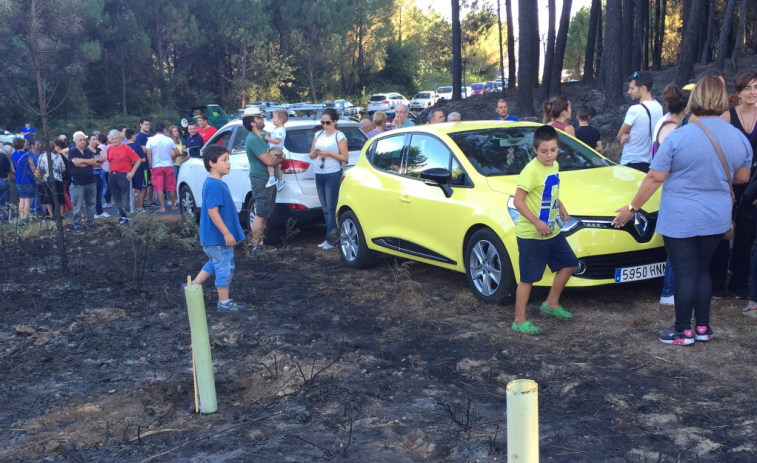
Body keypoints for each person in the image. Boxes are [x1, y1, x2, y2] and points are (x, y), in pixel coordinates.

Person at [612, 76, 753, 345]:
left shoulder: (679, 137)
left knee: (685, 271)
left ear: (696, 99)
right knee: (703, 269)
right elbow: (743, 177)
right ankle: (702, 328)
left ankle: (681, 330)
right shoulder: (738, 137)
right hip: (717, 216)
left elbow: (654, 178)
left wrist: (632, 208)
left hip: (681, 216)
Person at [511, 125, 577, 335]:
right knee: (528, 279)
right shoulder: (530, 171)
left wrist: (561, 206)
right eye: (544, 151)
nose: (550, 155)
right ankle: (519, 321)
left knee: (569, 264)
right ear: (535, 150)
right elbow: (518, 202)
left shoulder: (555, 165)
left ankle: (551, 303)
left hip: (552, 230)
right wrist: (535, 222)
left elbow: (550, 191)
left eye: (554, 150)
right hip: (532, 234)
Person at [648, 84, 691, 305]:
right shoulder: (674, 129)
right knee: (677, 246)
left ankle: (670, 290)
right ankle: (669, 292)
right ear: (686, 110)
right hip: (671, 190)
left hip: (667, 189)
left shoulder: (663, 123)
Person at [191, 144, 246, 311]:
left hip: (212, 239)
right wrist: (227, 233)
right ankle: (224, 303)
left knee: (215, 262)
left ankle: (193, 285)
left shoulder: (214, 183)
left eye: (228, 159)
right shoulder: (215, 185)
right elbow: (213, 213)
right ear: (212, 163)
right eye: (224, 160)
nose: (228, 163)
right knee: (224, 266)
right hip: (217, 238)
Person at [243, 106, 285, 251]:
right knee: (260, 214)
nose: (262, 119)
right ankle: (256, 246)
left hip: (268, 178)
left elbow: (275, 155)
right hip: (261, 179)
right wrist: (280, 160)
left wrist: (277, 157)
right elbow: (269, 161)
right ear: (252, 123)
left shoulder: (263, 135)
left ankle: (261, 244)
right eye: (258, 117)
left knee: (265, 214)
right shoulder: (253, 139)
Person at [309, 107, 349, 250]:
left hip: (333, 174)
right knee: (325, 208)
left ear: (334, 122)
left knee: (331, 208)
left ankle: (332, 239)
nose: (325, 125)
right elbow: (311, 154)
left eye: (328, 123)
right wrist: (315, 154)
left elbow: (345, 158)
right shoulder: (318, 134)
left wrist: (330, 154)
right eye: (323, 122)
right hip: (319, 172)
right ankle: (331, 237)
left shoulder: (339, 136)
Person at [616, 71, 664, 172]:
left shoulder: (635, 110)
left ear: (642, 88)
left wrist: (624, 135)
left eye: (632, 88)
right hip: (650, 163)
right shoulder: (659, 108)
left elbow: (619, 136)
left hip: (631, 162)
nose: (629, 92)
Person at [68, 131, 103, 232]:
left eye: (84, 140)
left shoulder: (88, 151)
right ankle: (77, 224)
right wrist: (88, 163)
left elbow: (94, 162)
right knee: (78, 205)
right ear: (75, 141)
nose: (83, 142)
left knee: (91, 204)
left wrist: (83, 161)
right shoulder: (72, 151)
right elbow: (76, 163)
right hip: (77, 183)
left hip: (91, 181)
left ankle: (90, 223)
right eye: (80, 140)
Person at [106, 130, 142, 225]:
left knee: (125, 197)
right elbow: (110, 161)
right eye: (112, 139)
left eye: (116, 138)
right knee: (116, 197)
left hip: (124, 174)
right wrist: (110, 174)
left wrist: (131, 173)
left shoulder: (126, 148)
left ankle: (128, 218)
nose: (115, 140)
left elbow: (138, 160)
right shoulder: (109, 148)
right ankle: (122, 217)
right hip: (113, 174)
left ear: (120, 138)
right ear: (110, 139)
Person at [145, 122, 180, 213]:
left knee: (159, 188)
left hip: (156, 166)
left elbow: (149, 155)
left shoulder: (150, 140)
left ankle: (162, 207)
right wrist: (173, 157)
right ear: (164, 130)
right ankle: (173, 205)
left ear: (155, 129)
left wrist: (150, 166)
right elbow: (177, 152)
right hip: (168, 165)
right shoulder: (169, 140)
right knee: (171, 187)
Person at [36, 140, 67, 218]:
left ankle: (51, 215)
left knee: (48, 198)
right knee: (60, 197)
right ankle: (61, 214)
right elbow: (63, 168)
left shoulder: (41, 157)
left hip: (46, 180)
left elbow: (39, 168)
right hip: (57, 179)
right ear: (53, 147)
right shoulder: (58, 156)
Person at [123, 129, 148, 211]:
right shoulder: (137, 146)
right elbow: (143, 159)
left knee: (132, 191)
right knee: (142, 189)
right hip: (138, 171)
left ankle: (132, 209)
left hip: (128, 171)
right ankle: (139, 207)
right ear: (132, 136)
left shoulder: (124, 147)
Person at [10, 138, 34, 220]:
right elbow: (33, 168)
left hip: (18, 180)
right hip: (28, 180)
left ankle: (21, 217)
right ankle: (26, 218)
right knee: (27, 199)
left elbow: (13, 169)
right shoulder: (26, 155)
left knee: (21, 199)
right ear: (23, 145)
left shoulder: (12, 155)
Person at [264, 109, 288, 191]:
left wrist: (268, 139)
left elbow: (278, 141)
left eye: (274, 118)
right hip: (275, 149)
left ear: (280, 120)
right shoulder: (276, 129)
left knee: (270, 162)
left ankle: (272, 178)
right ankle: (281, 180)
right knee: (276, 165)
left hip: (276, 149)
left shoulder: (280, 130)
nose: (272, 119)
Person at [135, 118, 156, 208]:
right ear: (141, 124)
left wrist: (149, 149)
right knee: (144, 185)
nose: (148, 126)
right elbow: (142, 149)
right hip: (144, 165)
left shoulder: (151, 135)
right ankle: (141, 204)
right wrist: (150, 149)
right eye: (146, 124)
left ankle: (150, 202)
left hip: (152, 163)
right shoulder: (139, 136)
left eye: (149, 124)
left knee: (151, 184)